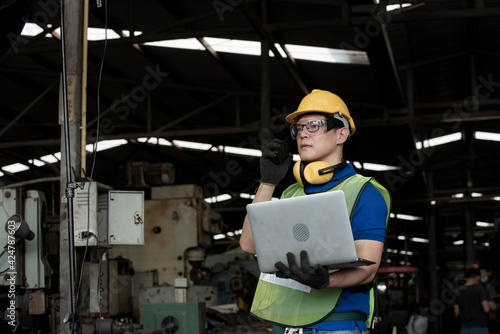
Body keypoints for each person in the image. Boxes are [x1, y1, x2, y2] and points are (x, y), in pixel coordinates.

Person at [240, 89, 391, 334]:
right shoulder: (291, 193)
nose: (303, 134)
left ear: (341, 134)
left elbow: (367, 268)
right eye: (299, 129)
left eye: (314, 126)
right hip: (289, 325)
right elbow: (249, 244)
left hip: (338, 324)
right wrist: (267, 182)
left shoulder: (365, 191)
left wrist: (326, 281)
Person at [454, 267, 490, 334]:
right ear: (478, 277)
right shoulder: (479, 289)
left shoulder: (458, 291)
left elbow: (456, 313)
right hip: (479, 327)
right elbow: (486, 309)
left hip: (464, 329)